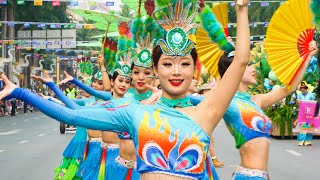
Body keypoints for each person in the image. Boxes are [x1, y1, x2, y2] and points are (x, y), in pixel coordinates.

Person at [0, 0, 251, 179]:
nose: (176, 71)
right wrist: (19, 92)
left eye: (184, 64)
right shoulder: (136, 112)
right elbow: (72, 115)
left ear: (194, 68)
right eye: (167, 64)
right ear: (156, 69)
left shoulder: (207, 111)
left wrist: (241, 10)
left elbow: (239, 60)